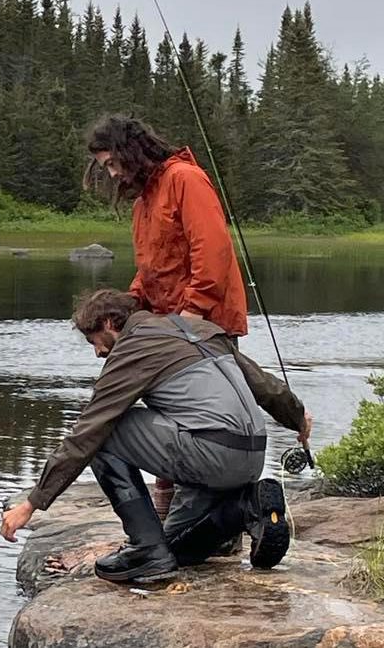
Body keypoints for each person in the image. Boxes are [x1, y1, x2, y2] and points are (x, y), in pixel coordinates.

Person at [0, 289, 313, 583]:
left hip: (213, 454)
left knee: (103, 432)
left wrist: (32, 502)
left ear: (110, 323)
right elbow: (263, 385)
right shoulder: (200, 328)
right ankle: (246, 508)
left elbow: (87, 431)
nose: (97, 352)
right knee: (175, 550)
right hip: (251, 455)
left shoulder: (132, 348)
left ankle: (144, 546)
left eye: (94, 340)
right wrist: (297, 417)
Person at [85, 114, 250, 527]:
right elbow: (151, 268)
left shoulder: (185, 181)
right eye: (105, 166)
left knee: (204, 420)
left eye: (111, 163)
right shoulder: (145, 200)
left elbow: (212, 256)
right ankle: (169, 514)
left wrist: (189, 319)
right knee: (170, 417)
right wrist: (128, 306)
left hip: (205, 328)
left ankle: (212, 522)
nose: (112, 172)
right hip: (171, 328)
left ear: (130, 152)